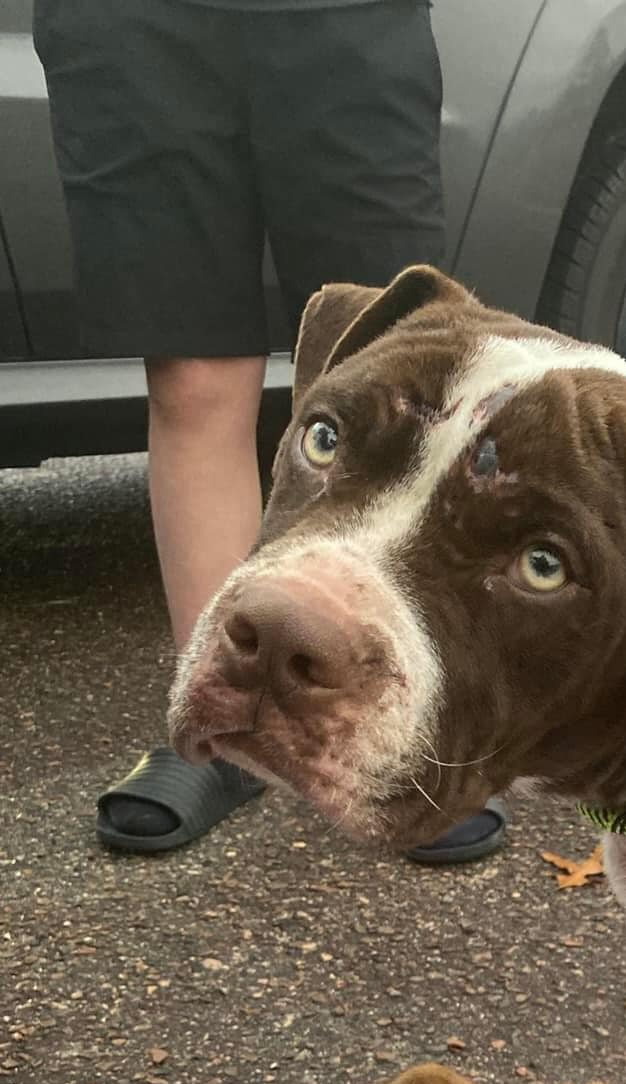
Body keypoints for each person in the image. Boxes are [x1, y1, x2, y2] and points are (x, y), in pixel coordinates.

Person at [34, 0, 506, 864]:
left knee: (398, 371)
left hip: (348, 16)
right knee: (192, 375)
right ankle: (214, 730)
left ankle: (412, 725)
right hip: (129, 26)